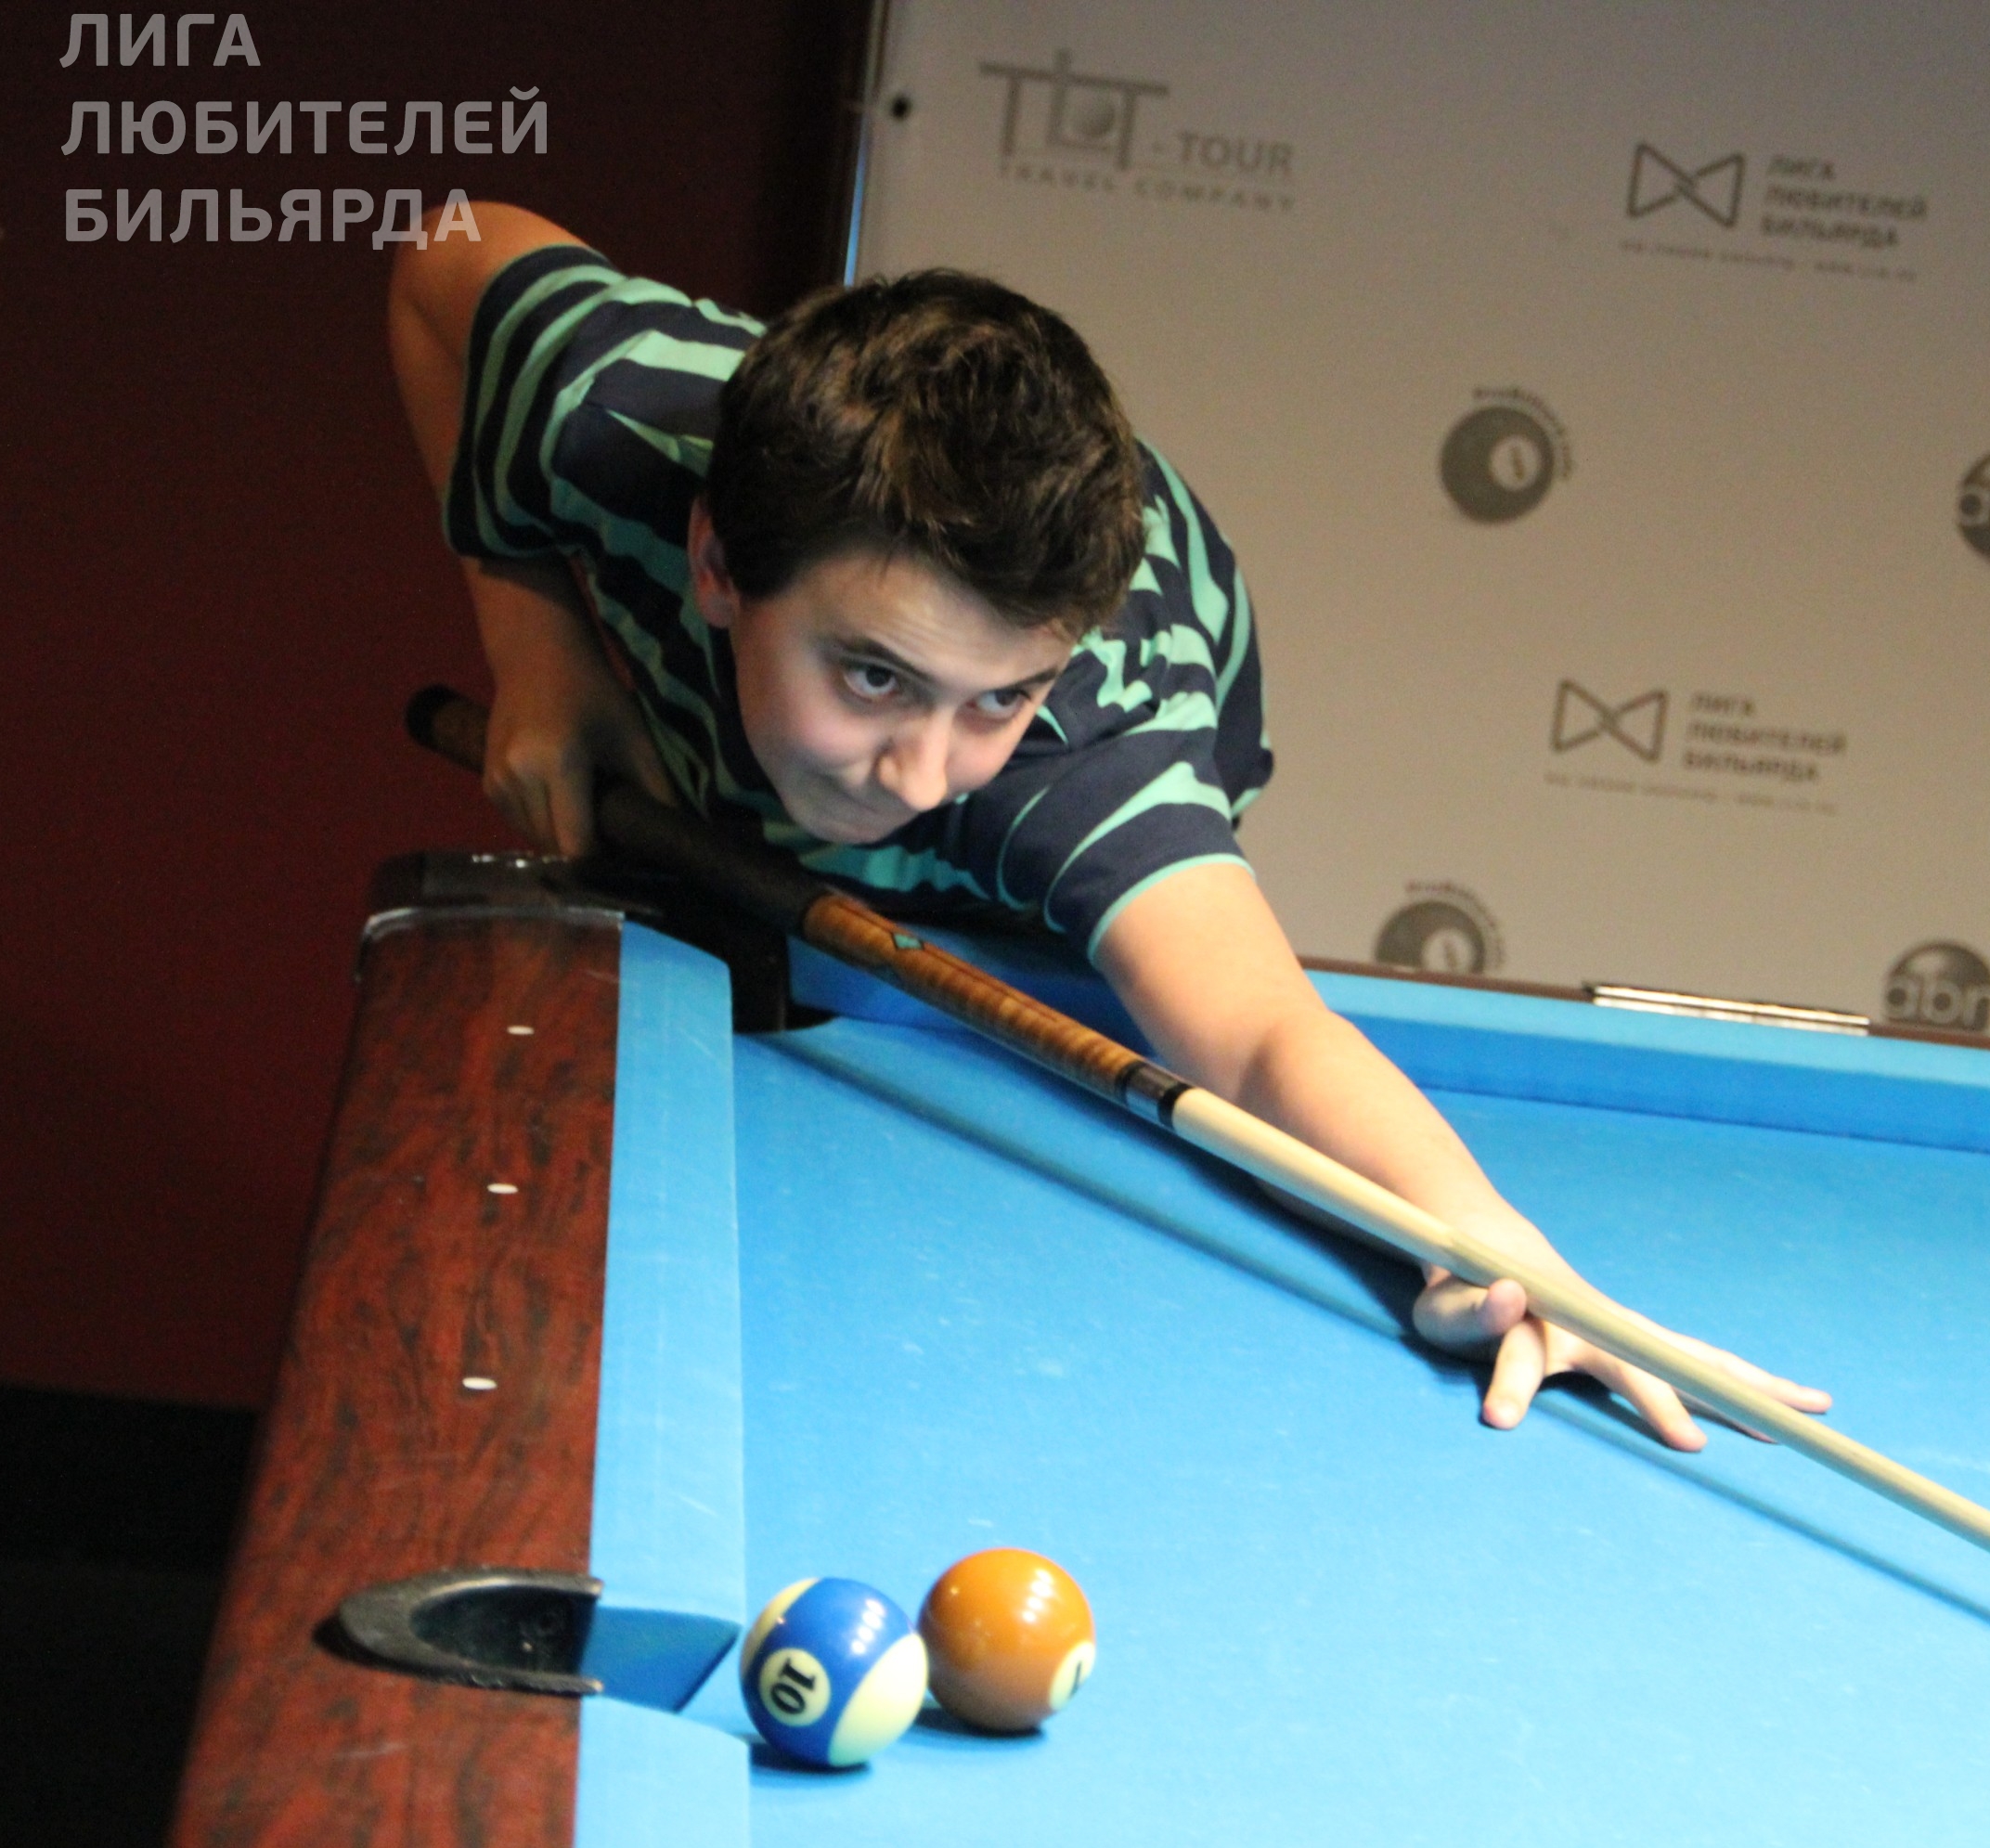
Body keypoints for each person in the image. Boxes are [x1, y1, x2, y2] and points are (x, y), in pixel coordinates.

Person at [388, 202, 1830, 1446]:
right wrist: (536, 644)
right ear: (713, 560)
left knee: (1024, 894)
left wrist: (1497, 1247)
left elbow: (1258, 1032)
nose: (923, 771)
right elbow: (439, 253)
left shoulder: (1075, 763)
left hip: (1126, 726)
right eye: (874, 676)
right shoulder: (620, 413)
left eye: (993, 695)